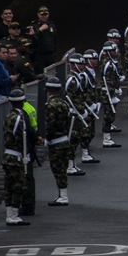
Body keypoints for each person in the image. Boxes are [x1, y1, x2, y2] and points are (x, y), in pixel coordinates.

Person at [2, 89, 32, 226]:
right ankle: (14, 214)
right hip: (16, 156)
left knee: (9, 186)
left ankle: (10, 213)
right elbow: (21, 138)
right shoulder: (19, 118)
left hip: (8, 155)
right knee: (18, 186)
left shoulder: (9, 116)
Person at [65, 54, 99, 166]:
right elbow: (72, 98)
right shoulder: (72, 79)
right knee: (73, 139)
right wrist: (81, 110)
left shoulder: (77, 77)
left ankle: (73, 162)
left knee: (79, 136)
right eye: (80, 64)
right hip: (74, 114)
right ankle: (70, 164)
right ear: (74, 65)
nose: (82, 66)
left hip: (78, 112)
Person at [44, 76, 72, 206]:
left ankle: (62, 196)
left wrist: (47, 138)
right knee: (63, 169)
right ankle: (63, 194)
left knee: (57, 169)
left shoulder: (51, 105)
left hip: (56, 142)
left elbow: (50, 124)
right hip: (65, 139)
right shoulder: (64, 103)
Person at [98, 42, 123, 148]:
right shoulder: (108, 64)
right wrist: (114, 91)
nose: (115, 52)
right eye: (112, 51)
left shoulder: (112, 62)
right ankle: (106, 138)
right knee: (108, 115)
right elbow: (108, 81)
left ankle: (108, 137)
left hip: (111, 92)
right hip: (108, 92)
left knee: (111, 114)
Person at [30, 6, 57, 74]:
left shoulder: (51, 25)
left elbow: (55, 40)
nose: (44, 16)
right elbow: (32, 40)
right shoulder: (34, 25)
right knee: (40, 75)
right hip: (39, 56)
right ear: (38, 14)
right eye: (42, 15)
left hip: (50, 55)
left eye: (46, 14)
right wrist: (40, 30)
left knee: (52, 74)